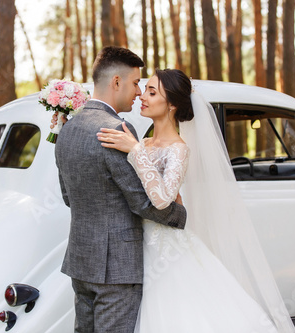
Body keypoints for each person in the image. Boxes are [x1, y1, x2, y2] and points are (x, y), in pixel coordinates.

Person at [97, 69, 295, 332]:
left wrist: (134, 150)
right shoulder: (142, 143)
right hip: (134, 243)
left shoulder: (178, 149)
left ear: (171, 105)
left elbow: (163, 200)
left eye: (152, 92)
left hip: (165, 250)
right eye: (145, 89)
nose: (142, 96)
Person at [54, 47, 187, 333]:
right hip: (116, 268)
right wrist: (179, 215)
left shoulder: (68, 127)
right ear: (117, 82)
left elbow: (67, 196)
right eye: (137, 83)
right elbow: (140, 203)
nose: (139, 92)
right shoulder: (118, 129)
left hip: (81, 261)